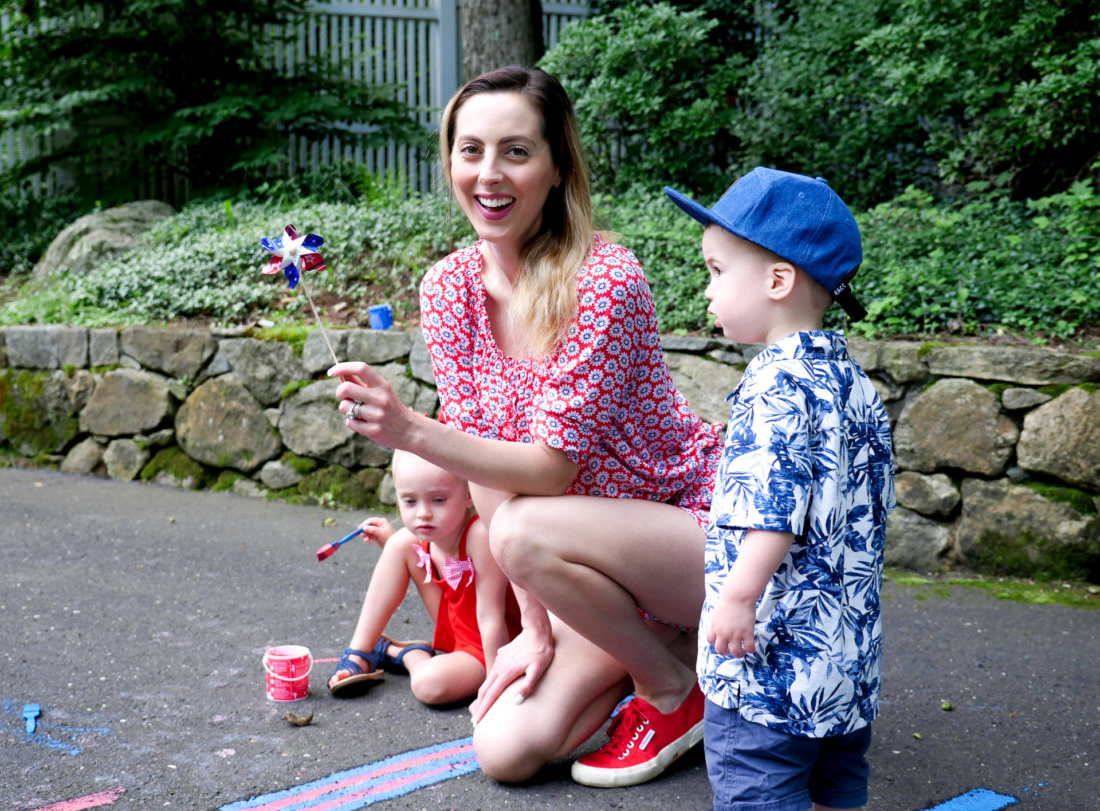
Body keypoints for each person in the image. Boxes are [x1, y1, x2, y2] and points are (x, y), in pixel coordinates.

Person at [328, 65, 723, 787]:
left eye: (516, 150)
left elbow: (548, 470)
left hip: (684, 534)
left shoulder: (605, 279)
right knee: (504, 751)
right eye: (470, 149)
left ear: (556, 166)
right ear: (449, 160)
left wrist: (411, 430)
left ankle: (669, 684)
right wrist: (530, 629)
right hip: (577, 569)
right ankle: (669, 658)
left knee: (520, 529)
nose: (489, 173)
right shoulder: (448, 289)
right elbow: (484, 474)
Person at [663, 168, 896, 811]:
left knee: (758, 787)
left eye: (716, 270)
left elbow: (775, 508)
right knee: (835, 790)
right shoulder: (853, 384)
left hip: (769, 661)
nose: (706, 289)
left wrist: (737, 597)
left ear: (776, 280)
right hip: (842, 665)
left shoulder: (777, 386)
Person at [327, 449, 521, 706]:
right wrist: (391, 542)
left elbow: (491, 617)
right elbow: (427, 562)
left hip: (491, 646)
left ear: (469, 496)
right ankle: (361, 652)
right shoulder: (428, 534)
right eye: (409, 501)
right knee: (400, 543)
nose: (423, 513)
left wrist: (499, 684)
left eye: (438, 500)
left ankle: (410, 655)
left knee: (428, 684)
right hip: (458, 626)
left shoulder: (478, 535)